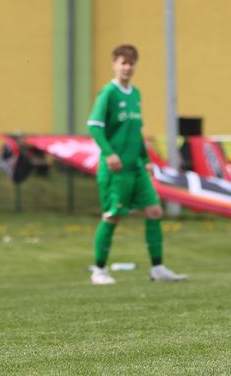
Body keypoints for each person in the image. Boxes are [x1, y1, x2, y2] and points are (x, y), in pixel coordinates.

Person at [87, 44, 186, 285]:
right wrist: (109, 154)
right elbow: (94, 126)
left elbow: (136, 132)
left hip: (136, 168)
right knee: (112, 216)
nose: (127, 67)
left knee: (155, 211)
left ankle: (158, 269)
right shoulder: (108, 93)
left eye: (131, 63)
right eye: (123, 62)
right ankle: (99, 271)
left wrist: (146, 160)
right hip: (116, 170)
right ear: (115, 64)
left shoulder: (136, 94)